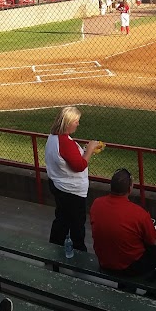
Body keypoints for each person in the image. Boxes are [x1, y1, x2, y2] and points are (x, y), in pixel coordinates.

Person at [90, 168, 156, 277]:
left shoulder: (96, 204)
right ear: (130, 188)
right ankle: (154, 288)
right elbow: (154, 241)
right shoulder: (138, 213)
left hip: (105, 262)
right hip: (128, 267)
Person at [45, 106, 99, 251]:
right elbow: (80, 165)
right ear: (68, 122)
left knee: (62, 219)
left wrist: (81, 150)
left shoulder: (53, 137)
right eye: (76, 121)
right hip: (71, 191)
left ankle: (54, 250)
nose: (78, 124)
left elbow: (68, 156)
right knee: (76, 223)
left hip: (58, 185)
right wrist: (90, 150)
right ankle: (79, 253)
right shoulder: (65, 142)